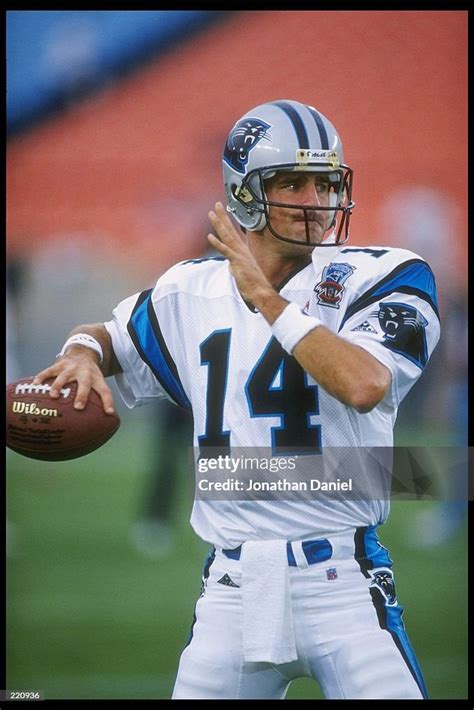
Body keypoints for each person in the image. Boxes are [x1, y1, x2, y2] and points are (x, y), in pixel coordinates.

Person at [33, 100, 440, 700]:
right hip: (232, 590)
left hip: (345, 583)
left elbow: (365, 382)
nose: (314, 200)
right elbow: (110, 336)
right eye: (291, 183)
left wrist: (267, 300)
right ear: (245, 193)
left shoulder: (381, 276)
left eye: (326, 183)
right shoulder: (189, 288)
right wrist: (79, 352)